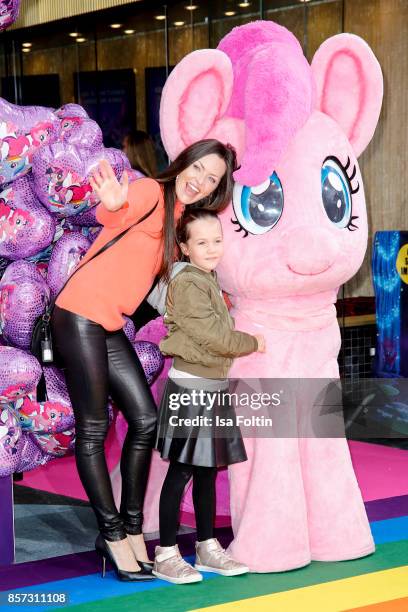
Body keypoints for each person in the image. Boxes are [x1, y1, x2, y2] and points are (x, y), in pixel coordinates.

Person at [50, 139, 238, 582]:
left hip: (107, 323)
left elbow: (156, 286)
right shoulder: (153, 192)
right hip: (78, 314)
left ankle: (133, 529)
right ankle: (113, 535)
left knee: (146, 421)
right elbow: (112, 211)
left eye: (212, 179)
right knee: (93, 428)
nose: (200, 180)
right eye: (199, 169)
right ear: (184, 163)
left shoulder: (180, 220)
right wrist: (115, 202)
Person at [153, 209, 266, 584]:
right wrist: (252, 342)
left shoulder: (206, 277)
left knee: (205, 470)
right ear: (184, 248)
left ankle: (205, 546)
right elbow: (213, 337)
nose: (212, 248)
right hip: (192, 388)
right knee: (183, 469)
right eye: (202, 242)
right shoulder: (189, 283)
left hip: (211, 387)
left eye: (217, 240)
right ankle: (166, 554)